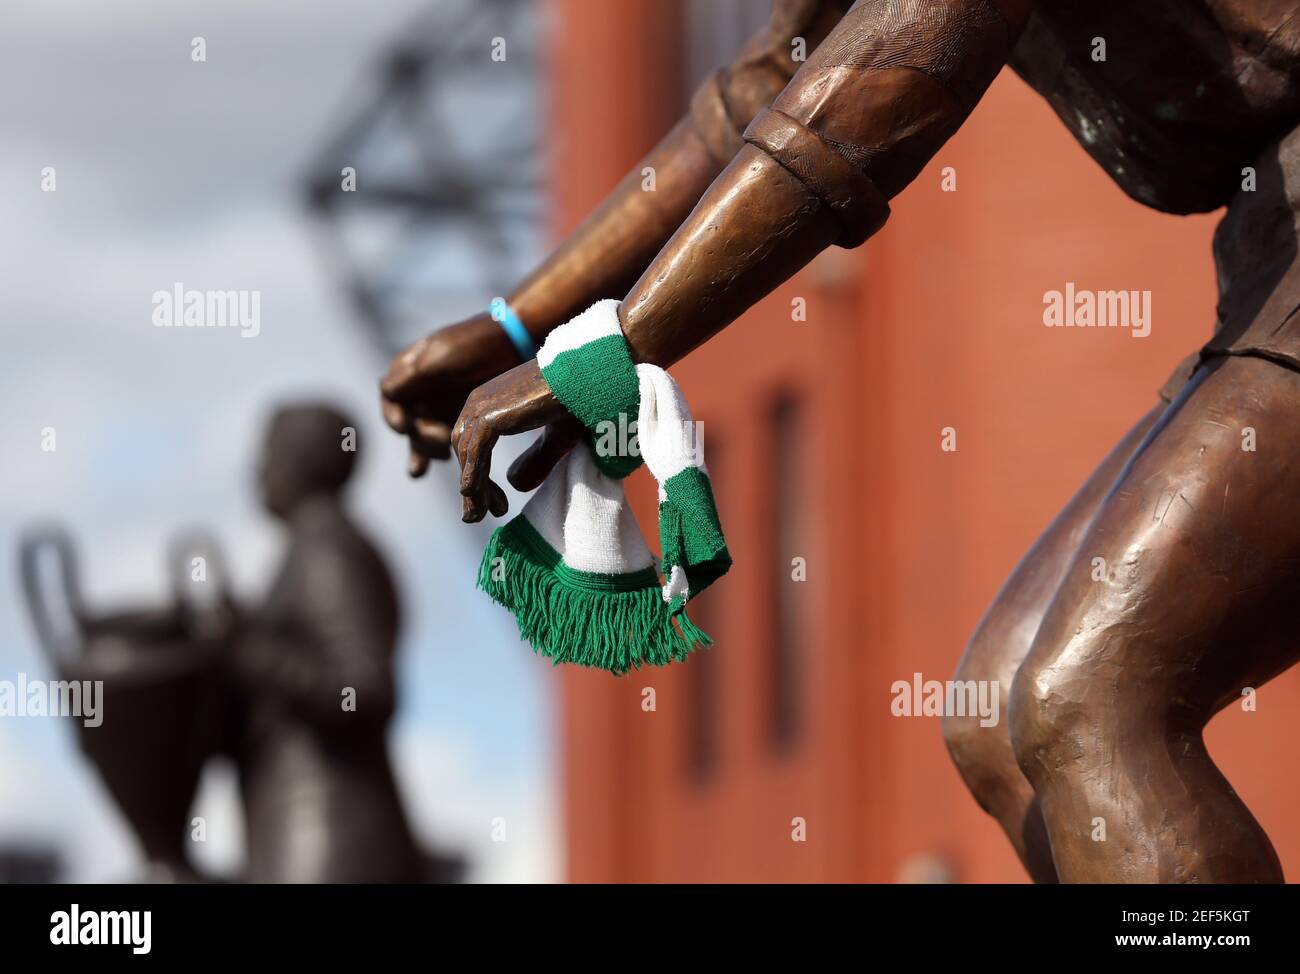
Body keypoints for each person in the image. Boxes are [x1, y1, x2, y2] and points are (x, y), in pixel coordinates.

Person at [381, 1, 1300, 882]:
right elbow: (762, 88)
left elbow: (897, 60)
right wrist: (518, 326)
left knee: (1093, 702)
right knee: (1000, 725)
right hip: (1267, 257)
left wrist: (618, 345)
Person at [237, 403, 419, 882]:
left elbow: (365, 688)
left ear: (300, 461)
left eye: (269, 453)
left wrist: (244, 649)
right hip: (304, 831)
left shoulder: (328, 547)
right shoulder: (310, 547)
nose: (257, 470)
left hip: (330, 840)